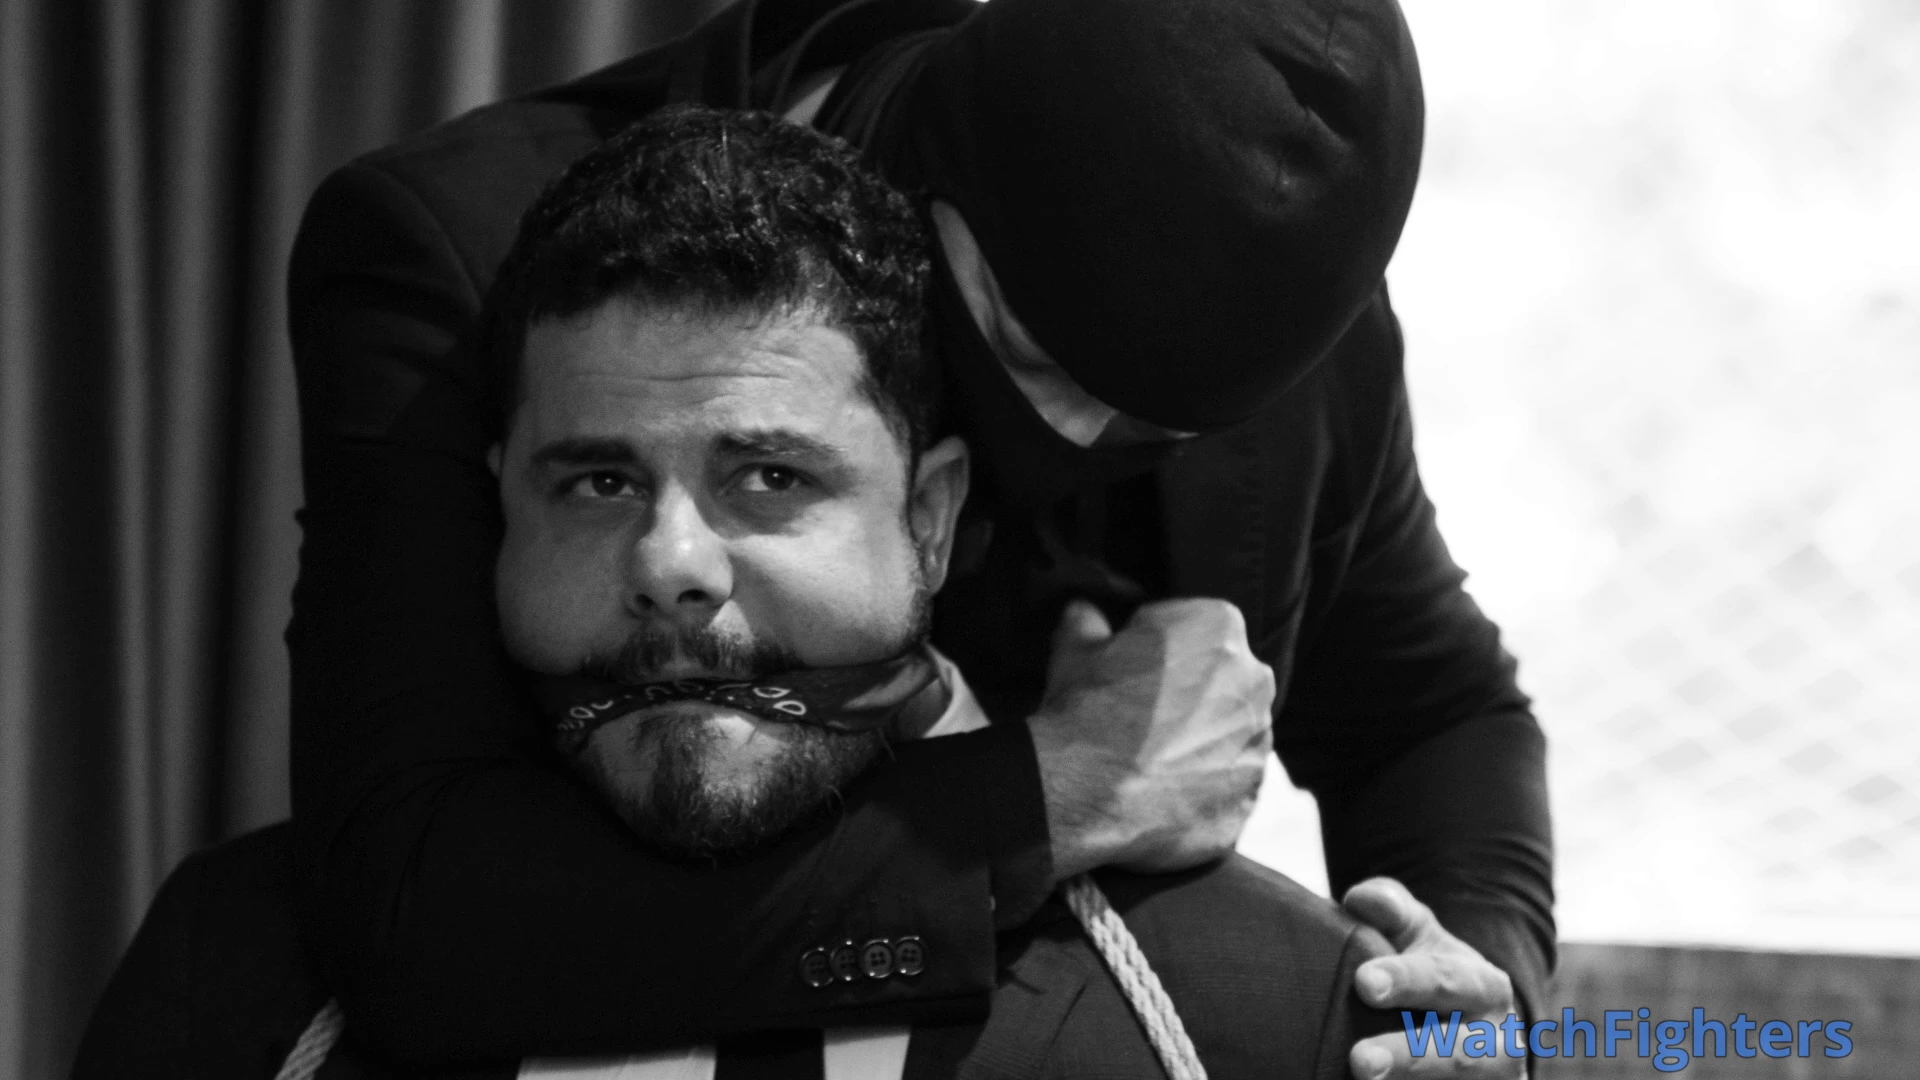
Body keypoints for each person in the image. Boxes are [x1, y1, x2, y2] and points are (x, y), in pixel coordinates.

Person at [285, 0, 1551, 1076]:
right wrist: (1052, 794)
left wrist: (1470, 995)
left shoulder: (1273, 332)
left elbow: (1431, 711)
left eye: (1145, 427)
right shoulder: (466, 251)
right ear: (927, 161)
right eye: (1028, 357)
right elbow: (412, 902)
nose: (1071, 438)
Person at [77, 108, 1397, 1080]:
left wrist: (1481, 994)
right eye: (597, 482)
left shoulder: (1280, 1010)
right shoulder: (227, 977)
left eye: (769, 478)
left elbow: (1437, 708)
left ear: (931, 518)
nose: (670, 564)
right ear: (494, 509)